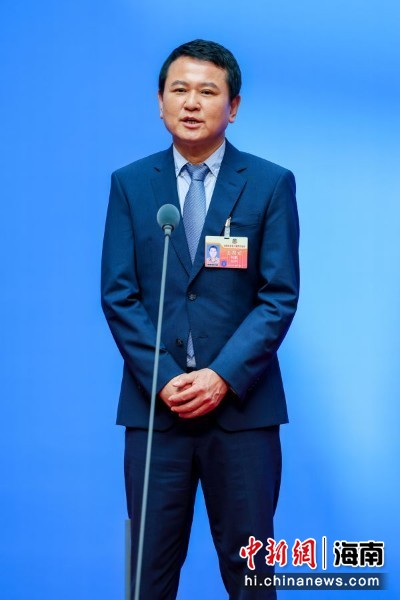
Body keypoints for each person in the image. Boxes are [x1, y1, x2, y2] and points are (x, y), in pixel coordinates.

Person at [101, 39, 299, 600]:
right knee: (147, 577)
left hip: (241, 412)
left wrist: (220, 376)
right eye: (179, 90)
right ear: (160, 102)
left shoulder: (269, 183)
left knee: (252, 577)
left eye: (207, 91)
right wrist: (165, 379)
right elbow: (118, 295)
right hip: (155, 414)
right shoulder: (130, 184)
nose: (191, 103)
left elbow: (278, 296)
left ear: (233, 106)